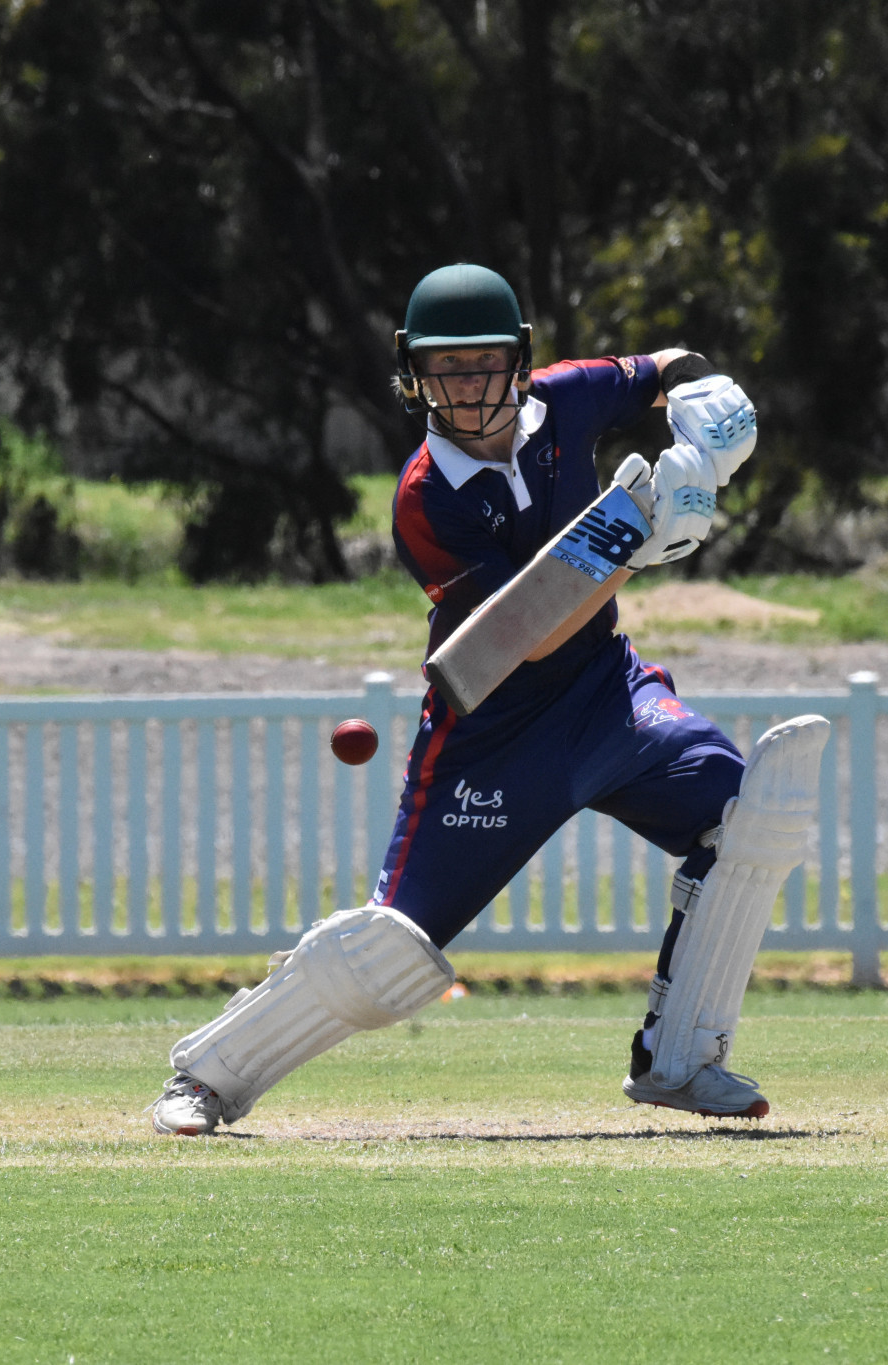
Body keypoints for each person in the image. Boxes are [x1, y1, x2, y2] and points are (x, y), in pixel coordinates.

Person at [149, 263, 826, 1136]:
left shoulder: (566, 400)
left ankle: (682, 1061)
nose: (467, 386)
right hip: (493, 729)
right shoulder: (424, 499)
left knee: (750, 813)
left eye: (484, 363)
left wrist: (708, 394)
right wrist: (643, 532)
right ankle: (206, 1076)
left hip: (606, 697)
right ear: (414, 374)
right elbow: (524, 633)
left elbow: (664, 366)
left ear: (520, 360)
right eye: (445, 367)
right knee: (389, 950)